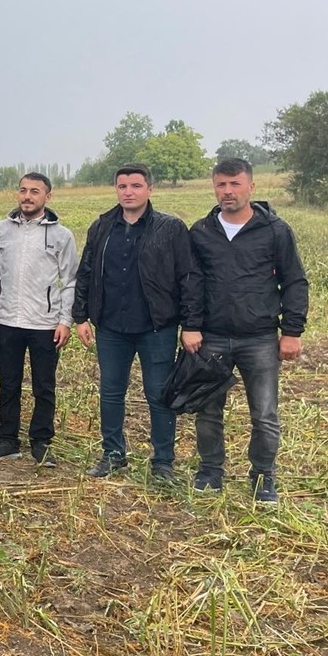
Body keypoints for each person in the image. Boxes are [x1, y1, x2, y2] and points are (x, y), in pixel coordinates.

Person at [188, 158, 309, 504]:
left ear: (251, 187)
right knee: (208, 410)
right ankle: (211, 470)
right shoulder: (201, 232)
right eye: (221, 184)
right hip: (210, 337)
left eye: (235, 184)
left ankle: (262, 477)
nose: (228, 191)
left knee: (265, 414)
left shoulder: (275, 230)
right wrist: (192, 325)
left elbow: (295, 282)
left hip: (258, 338)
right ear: (214, 187)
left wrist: (292, 331)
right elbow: (192, 284)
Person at [72, 163, 202, 483]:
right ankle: (113, 454)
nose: (128, 192)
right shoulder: (102, 226)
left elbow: (188, 277)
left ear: (149, 189)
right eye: (122, 186)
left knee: (158, 393)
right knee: (111, 391)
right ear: (116, 189)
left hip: (156, 327)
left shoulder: (170, 228)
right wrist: (80, 316)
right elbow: (86, 273)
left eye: (135, 186)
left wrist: (191, 323)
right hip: (111, 327)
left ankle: (163, 462)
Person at [0, 173, 78, 466]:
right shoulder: (0, 231)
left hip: (45, 324)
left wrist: (65, 320)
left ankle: (41, 441)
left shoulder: (61, 235)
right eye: (23, 190)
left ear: (47, 197)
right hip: (8, 320)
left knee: (43, 385)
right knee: (8, 383)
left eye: (35, 191)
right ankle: (7, 439)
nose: (27, 196)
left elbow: (70, 280)